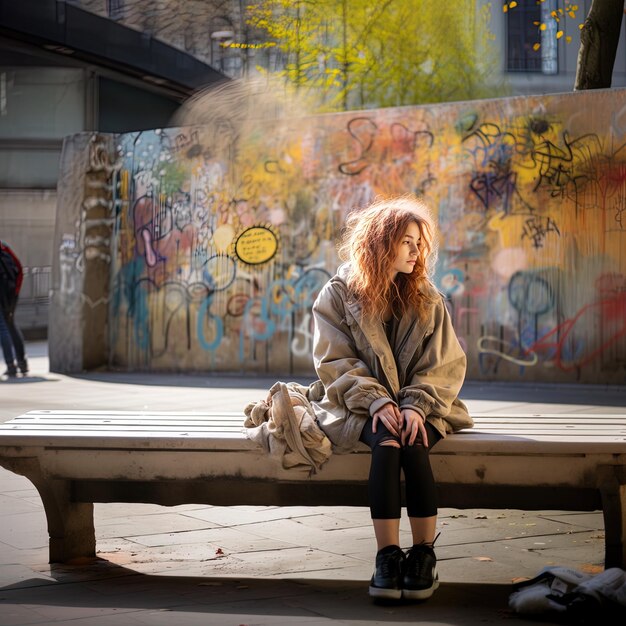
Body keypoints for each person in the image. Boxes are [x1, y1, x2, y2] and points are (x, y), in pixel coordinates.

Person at [311, 195, 472, 601]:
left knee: (413, 443)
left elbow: (444, 363)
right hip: (356, 404)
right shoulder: (337, 296)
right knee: (386, 443)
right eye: (407, 242)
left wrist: (415, 404)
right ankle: (387, 557)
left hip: (426, 404)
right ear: (381, 244)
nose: (418, 252)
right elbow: (334, 361)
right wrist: (378, 401)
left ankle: (423, 556)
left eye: (420, 243)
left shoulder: (428, 298)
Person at [0, 240, 28, 378]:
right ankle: (22, 363)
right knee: (9, 326)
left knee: (3, 328)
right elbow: (19, 270)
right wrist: (15, 293)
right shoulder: (4, 247)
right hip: (10, 295)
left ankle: (11, 365)